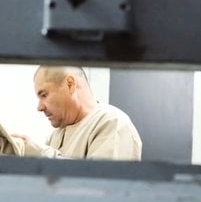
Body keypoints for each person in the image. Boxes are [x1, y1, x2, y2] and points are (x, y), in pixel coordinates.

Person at [11, 66, 142, 161]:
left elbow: (100, 184)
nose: (39, 107)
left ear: (70, 84)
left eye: (44, 95)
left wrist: (37, 152)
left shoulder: (112, 123)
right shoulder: (54, 136)